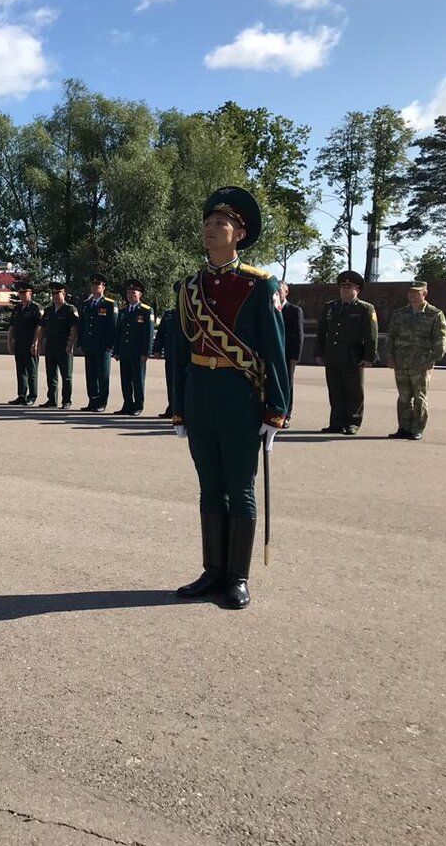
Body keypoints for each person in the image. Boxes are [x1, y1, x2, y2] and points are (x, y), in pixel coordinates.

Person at [172, 187, 287, 610]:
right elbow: (180, 352)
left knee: (239, 488)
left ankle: (237, 577)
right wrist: (178, 406)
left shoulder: (259, 285)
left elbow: (275, 350)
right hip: (201, 395)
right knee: (209, 487)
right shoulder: (188, 286)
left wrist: (277, 408)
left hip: (241, 398)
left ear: (239, 233)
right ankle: (212, 571)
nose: (210, 229)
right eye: (207, 223)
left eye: (220, 224)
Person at [315, 270, 378, 435]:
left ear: (357, 290)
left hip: (353, 356)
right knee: (335, 391)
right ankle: (336, 422)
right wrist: (319, 353)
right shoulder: (330, 307)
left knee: (354, 391)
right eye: (343, 286)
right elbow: (322, 331)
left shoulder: (365, 309)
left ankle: (353, 422)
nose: (345, 289)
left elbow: (371, 335)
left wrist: (369, 357)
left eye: (349, 287)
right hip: (333, 355)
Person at [386, 280, 446, 441]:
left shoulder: (434, 314)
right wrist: (390, 357)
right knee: (404, 397)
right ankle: (404, 428)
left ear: (424, 294)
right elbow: (391, 336)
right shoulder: (400, 313)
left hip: (421, 363)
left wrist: (434, 358)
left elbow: (441, 339)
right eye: (410, 292)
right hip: (401, 361)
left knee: (420, 397)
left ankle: (417, 429)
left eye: (416, 292)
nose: (412, 296)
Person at [113, 279, 154, 415]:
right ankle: (127, 404)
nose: (131, 295)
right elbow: (118, 332)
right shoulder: (123, 310)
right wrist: (117, 351)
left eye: (134, 293)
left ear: (140, 294)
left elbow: (148, 334)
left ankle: (138, 406)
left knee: (137, 380)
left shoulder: (147, 311)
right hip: (125, 351)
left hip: (138, 353)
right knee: (125, 380)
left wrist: (146, 353)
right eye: (129, 293)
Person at [79, 274, 119, 412]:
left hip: (103, 347)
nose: (95, 287)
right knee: (91, 375)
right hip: (89, 345)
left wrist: (110, 346)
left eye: (98, 285)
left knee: (103, 376)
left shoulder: (109, 304)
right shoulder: (86, 304)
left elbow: (113, 327)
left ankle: (102, 403)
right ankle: (92, 401)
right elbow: (82, 325)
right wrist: (81, 343)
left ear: (103, 287)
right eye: (93, 285)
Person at [35, 283, 78, 409]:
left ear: (63, 294)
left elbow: (74, 327)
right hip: (51, 346)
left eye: (57, 294)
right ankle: (52, 400)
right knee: (51, 374)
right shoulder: (48, 310)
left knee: (66, 375)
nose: (55, 297)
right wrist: (39, 342)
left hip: (64, 346)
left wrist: (70, 344)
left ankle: (66, 401)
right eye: (53, 294)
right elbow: (42, 328)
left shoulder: (70, 309)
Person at [5, 280, 42, 405]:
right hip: (19, 344)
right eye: (20, 293)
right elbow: (11, 327)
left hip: (30, 344)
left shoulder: (36, 308)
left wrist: (36, 342)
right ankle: (21, 395)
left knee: (32, 371)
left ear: (30, 293)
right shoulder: (17, 309)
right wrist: (9, 341)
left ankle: (32, 396)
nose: (21, 295)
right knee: (20, 370)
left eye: (24, 293)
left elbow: (39, 327)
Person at [150, 283, 180, 418]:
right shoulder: (169, 314)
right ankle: (172, 408)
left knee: (183, 384)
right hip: (171, 354)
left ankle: (182, 410)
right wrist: (156, 350)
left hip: (187, 356)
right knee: (171, 382)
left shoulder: (192, 314)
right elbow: (161, 334)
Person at [279, 281, 304, 428]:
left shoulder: (294, 310)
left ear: (286, 292)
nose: (277, 293)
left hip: (288, 355)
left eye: (280, 290)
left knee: (287, 384)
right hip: (272, 353)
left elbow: (299, 335)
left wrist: (296, 356)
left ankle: (286, 415)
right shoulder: (270, 310)